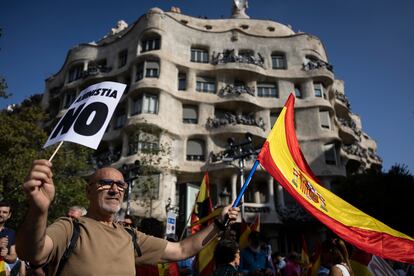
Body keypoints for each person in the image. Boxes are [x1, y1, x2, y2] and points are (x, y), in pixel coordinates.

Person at [16, 159, 239, 276]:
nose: (114, 189)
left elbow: (181, 250)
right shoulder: (70, 227)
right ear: (88, 191)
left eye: (120, 185)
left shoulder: (131, 236)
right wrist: (39, 209)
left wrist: (219, 224)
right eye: (105, 183)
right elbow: (30, 252)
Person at [0, 201, 18, 275]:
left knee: (4, 271)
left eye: (4, 212)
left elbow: (13, 256)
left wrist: (5, 256)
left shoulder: (11, 233)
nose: (1, 214)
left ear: (9, 215)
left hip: (1, 263)